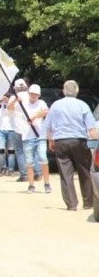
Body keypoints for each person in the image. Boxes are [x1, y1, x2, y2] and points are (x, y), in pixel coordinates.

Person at [42, 80, 98, 210]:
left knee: (65, 173)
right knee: (84, 171)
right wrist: (95, 143)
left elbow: (48, 126)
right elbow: (91, 128)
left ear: (63, 91)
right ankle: (88, 202)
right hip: (79, 141)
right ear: (77, 91)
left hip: (61, 141)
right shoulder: (83, 105)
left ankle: (71, 204)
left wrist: (51, 141)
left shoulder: (56, 105)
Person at [9, 84, 50, 194]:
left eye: (35, 94)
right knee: (29, 162)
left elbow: (46, 111)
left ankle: (47, 183)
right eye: (31, 94)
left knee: (43, 158)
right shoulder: (22, 104)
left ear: (39, 95)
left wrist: (34, 117)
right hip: (27, 136)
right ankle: (31, 185)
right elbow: (9, 109)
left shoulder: (41, 103)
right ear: (28, 93)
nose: (33, 96)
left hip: (40, 135)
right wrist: (15, 101)